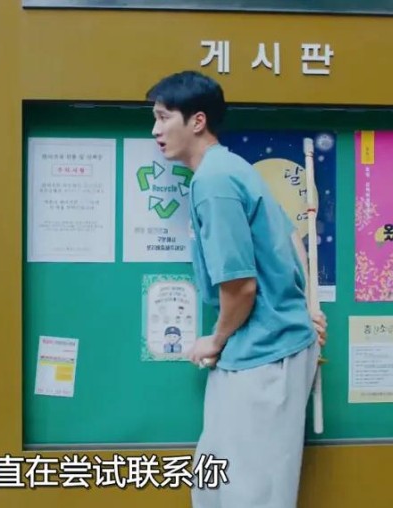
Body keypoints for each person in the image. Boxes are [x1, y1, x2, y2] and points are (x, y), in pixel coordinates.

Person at [145, 71, 328, 508]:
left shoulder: (214, 182)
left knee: (250, 492)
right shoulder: (231, 169)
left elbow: (242, 287)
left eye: (163, 117)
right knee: (217, 481)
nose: (155, 130)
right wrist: (303, 309)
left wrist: (216, 339)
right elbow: (293, 240)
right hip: (262, 348)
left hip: (265, 354)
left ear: (197, 121)